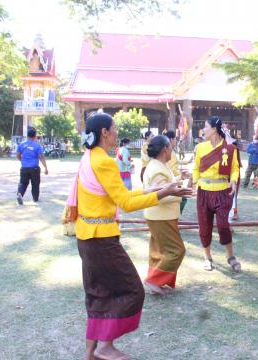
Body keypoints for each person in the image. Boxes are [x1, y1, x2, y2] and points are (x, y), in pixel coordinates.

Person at [67, 112, 191, 360]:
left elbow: (119, 194)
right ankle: (105, 346)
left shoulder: (90, 156)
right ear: (104, 132)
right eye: (113, 129)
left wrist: (156, 190)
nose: (116, 133)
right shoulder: (104, 161)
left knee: (98, 294)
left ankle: (91, 353)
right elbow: (124, 201)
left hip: (87, 238)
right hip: (101, 239)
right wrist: (162, 193)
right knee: (133, 291)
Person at [192, 116, 241, 272]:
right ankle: (207, 257)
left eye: (205, 127)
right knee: (204, 226)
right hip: (203, 192)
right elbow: (195, 168)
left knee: (223, 225)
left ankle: (231, 256)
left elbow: (235, 168)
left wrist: (233, 179)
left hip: (222, 192)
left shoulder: (230, 149)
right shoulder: (200, 148)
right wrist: (194, 182)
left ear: (214, 129)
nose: (203, 130)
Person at [143, 135, 190, 295]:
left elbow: (165, 186)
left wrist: (179, 179)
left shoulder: (158, 165)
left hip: (159, 216)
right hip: (161, 216)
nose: (172, 149)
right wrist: (181, 193)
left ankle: (155, 281)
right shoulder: (157, 168)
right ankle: (154, 280)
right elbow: (161, 195)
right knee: (176, 250)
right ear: (165, 149)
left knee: (158, 251)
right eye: (170, 147)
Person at [16, 128, 48, 205]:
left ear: (27, 136)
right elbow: (41, 157)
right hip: (34, 168)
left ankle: (20, 193)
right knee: (35, 184)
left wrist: (22, 161)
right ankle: (35, 199)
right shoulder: (37, 146)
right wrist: (45, 167)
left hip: (24, 168)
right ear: (35, 136)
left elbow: (18, 155)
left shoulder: (21, 144)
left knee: (23, 183)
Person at [164, 130, 192, 214]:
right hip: (173, 181)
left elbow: (175, 162)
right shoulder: (169, 151)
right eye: (175, 139)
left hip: (175, 180)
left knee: (180, 199)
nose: (176, 141)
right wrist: (181, 174)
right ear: (171, 139)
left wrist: (187, 162)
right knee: (180, 199)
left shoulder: (171, 151)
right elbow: (171, 168)